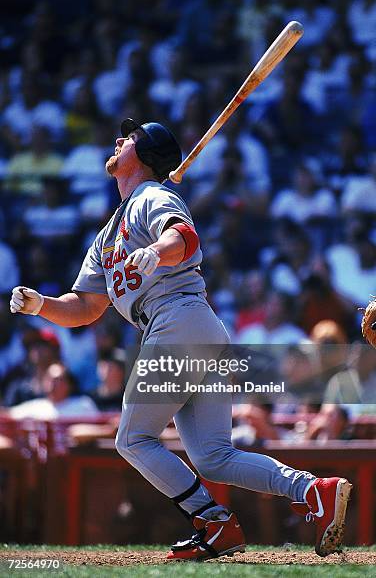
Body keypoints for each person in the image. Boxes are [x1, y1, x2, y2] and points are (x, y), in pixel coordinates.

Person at [10, 118, 352, 560]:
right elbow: (86, 306)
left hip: (177, 320)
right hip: (197, 327)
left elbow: (183, 237)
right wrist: (42, 305)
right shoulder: (109, 231)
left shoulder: (152, 196)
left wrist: (155, 251)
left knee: (133, 439)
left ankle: (213, 522)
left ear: (146, 156)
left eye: (129, 138)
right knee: (213, 457)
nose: (118, 139)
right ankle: (314, 490)